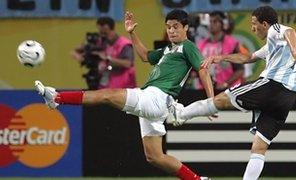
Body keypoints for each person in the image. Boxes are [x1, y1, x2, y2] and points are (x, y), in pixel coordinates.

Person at [35, 10, 213, 180]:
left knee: (107, 95)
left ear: (186, 28)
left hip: (156, 98)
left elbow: (203, 70)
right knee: (155, 157)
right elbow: (144, 56)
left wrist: (211, 101)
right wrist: (132, 33)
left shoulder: (188, 47)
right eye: (168, 27)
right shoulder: (168, 49)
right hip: (154, 101)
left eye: (176, 26)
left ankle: (57, 98)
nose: (171, 30)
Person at [168, 6, 296, 180]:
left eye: (254, 24)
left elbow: (290, 31)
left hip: (272, 86)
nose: (252, 28)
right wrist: (220, 57)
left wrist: (295, 51)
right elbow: (247, 57)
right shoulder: (272, 46)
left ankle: (181, 114)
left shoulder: (276, 31)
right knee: (259, 148)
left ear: (265, 24)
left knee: (222, 99)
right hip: (287, 98)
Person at [71, 16, 136, 89]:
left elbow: (128, 63)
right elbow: (75, 51)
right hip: (105, 86)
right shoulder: (101, 42)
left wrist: (108, 59)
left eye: (104, 32)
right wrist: (80, 57)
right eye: (100, 32)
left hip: (124, 87)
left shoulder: (124, 44)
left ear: (111, 29)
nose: (102, 35)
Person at [197, 11, 244, 94]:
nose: (211, 24)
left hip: (228, 91)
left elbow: (240, 70)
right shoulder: (201, 44)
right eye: (210, 21)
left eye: (215, 21)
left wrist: (225, 83)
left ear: (223, 24)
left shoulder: (232, 43)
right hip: (205, 90)